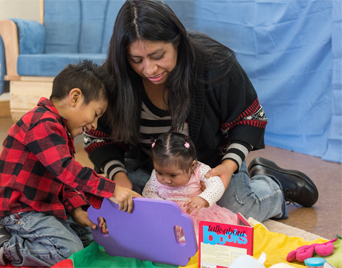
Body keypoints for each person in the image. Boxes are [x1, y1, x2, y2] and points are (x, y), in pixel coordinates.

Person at [84, 0, 318, 224]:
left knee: (236, 211)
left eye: (158, 56)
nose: (149, 69)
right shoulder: (116, 78)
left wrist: (228, 166)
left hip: (214, 164)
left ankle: (274, 185)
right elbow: (97, 137)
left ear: (177, 41)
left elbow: (249, 118)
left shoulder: (214, 63)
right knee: (131, 206)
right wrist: (120, 180)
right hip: (154, 169)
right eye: (136, 60)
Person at [0, 61, 141, 267]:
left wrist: (77, 210)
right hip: (19, 210)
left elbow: (63, 181)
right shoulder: (42, 123)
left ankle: (36, 238)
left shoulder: (61, 131)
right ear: (75, 97)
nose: (94, 125)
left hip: (44, 207)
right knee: (69, 251)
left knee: (90, 238)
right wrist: (110, 189)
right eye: (95, 114)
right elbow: (67, 170)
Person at [142, 132, 237, 236]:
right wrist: (161, 204)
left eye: (173, 175)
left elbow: (217, 184)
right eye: (159, 173)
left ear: (192, 166)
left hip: (197, 214)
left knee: (202, 239)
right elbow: (148, 191)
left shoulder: (199, 170)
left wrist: (203, 198)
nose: (166, 180)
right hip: (169, 216)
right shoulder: (155, 174)